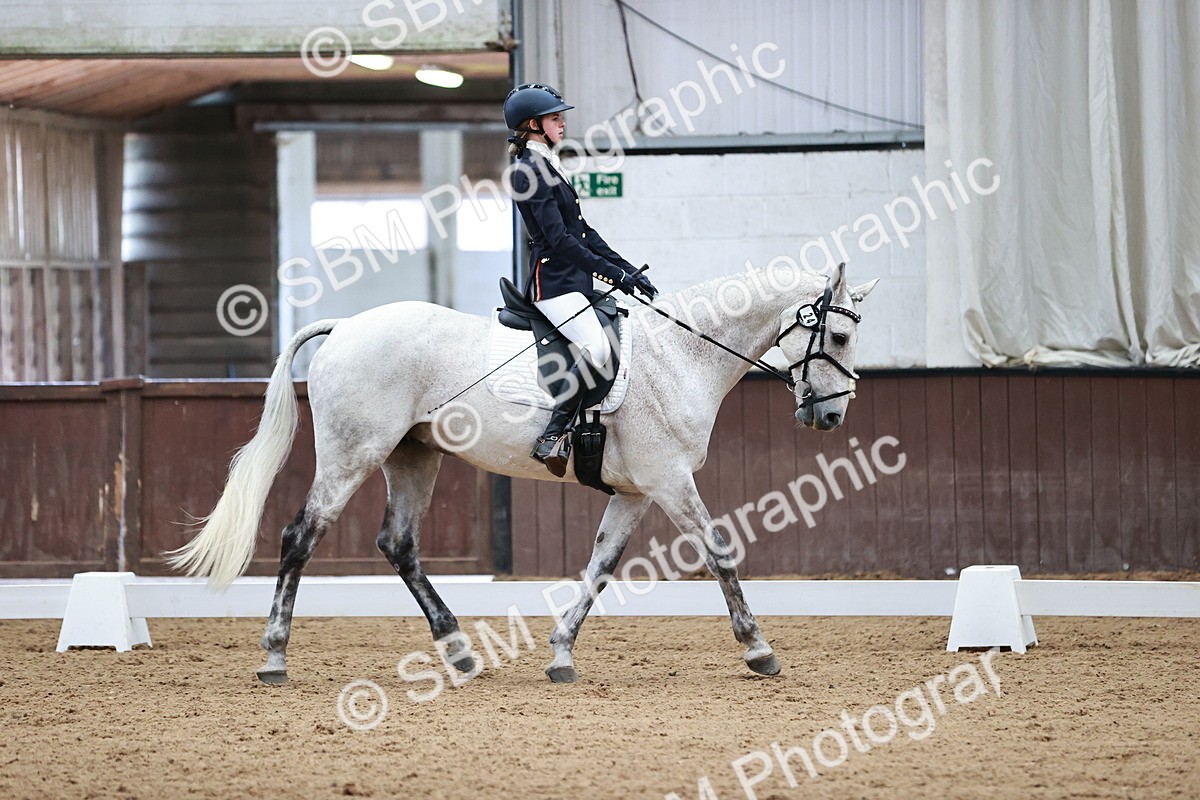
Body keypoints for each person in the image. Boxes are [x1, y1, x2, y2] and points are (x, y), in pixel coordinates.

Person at [503, 83, 658, 476]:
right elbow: (559, 241)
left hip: (573, 280)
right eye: (555, 118)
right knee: (597, 348)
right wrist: (612, 275)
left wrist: (628, 271)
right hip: (553, 283)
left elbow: (584, 233)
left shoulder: (547, 165)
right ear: (534, 125)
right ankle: (552, 436)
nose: (563, 123)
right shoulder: (527, 170)